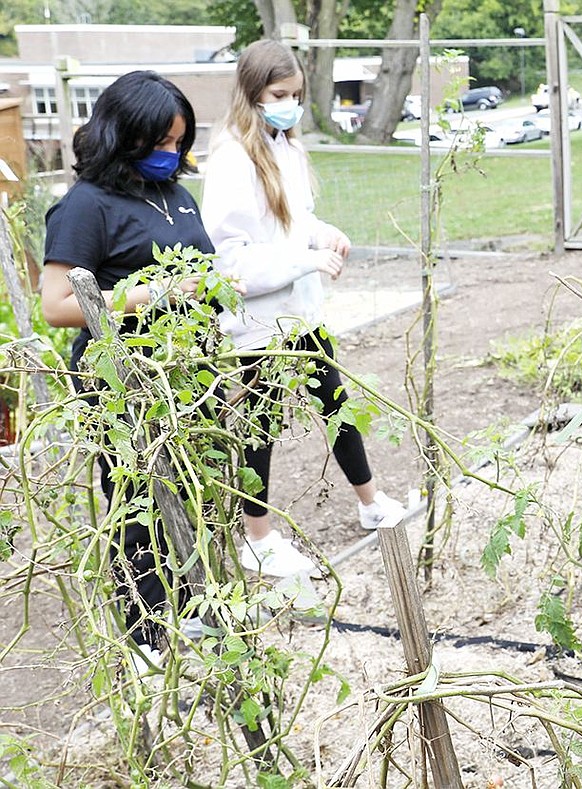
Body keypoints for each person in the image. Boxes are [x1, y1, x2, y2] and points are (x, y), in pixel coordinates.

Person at [201, 39, 404, 578]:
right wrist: (305, 261)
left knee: (335, 403)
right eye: (278, 94)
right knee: (259, 426)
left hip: (300, 314)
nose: (288, 103)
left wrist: (326, 235)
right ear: (252, 94)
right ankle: (258, 537)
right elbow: (231, 264)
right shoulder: (231, 159)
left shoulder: (282, 145)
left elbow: (298, 220)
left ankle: (370, 502)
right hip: (259, 322)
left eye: (295, 94)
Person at [40, 71, 215, 667]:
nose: (172, 155)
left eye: (178, 142)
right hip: (121, 379)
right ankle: (145, 639)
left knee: (192, 492)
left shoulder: (174, 194)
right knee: (136, 504)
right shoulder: (85, 206)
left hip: (188, 371)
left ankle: (195, 616)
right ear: (124, 137)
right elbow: (59, 305)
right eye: (160, 144)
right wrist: (155, 293)